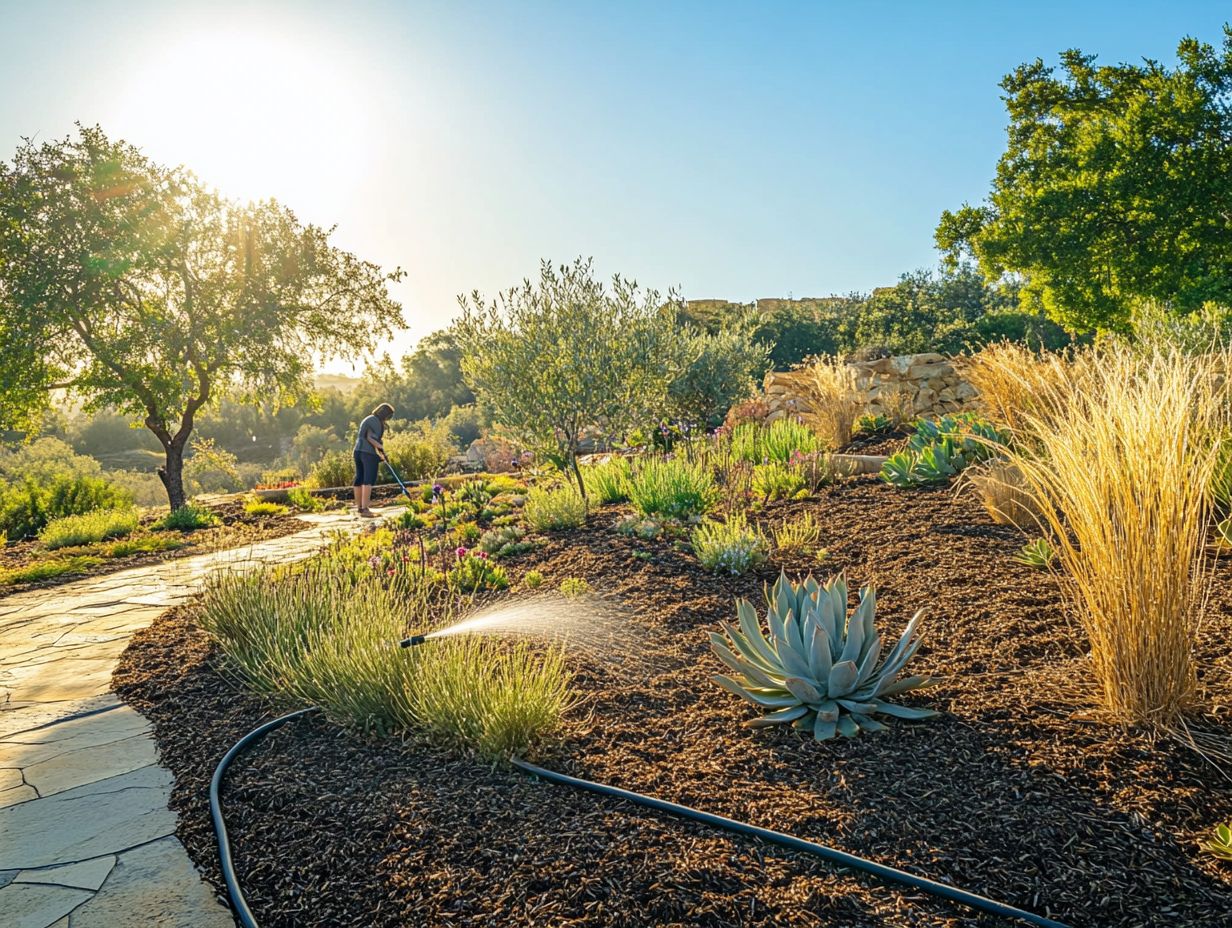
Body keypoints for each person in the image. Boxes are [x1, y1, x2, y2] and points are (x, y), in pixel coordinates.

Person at [353, 403, 393, 517]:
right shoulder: (375, 422)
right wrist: (381, 449)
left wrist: (380, 453)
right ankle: (365, 509)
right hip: (367, 453)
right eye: (389, 416)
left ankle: (360, 508)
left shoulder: (368, 419)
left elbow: (366, 436)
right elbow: (370, 437)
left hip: (357, 451)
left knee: (359, 479)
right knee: (368, 479)